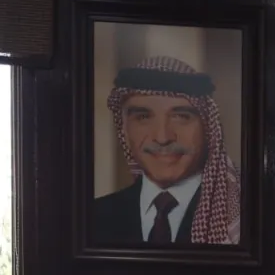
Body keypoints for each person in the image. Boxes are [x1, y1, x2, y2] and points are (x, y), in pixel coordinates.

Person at [91, 56, 242, 247]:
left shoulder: (243, 216)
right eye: (143, 117)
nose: (162, 138)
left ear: (208, 129)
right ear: (124, 131)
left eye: (181, 117)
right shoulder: (91, 217)